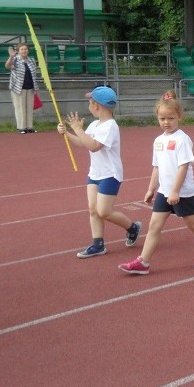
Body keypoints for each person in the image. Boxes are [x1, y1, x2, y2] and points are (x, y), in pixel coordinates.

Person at [118, 94, 194, 275]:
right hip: (164, 192)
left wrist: (175, 191)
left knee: (193, 224)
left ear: (179, 117)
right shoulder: (158, 141)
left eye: (171, 118)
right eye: (162, 118)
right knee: (154, 226)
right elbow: (156, 167)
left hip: (183, 192)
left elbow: (183, 167)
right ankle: (144, 261)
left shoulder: (182, 140)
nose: (166, 122)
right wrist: (151, 189)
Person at [58, 86, 142, 259]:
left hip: (110, 174)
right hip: (95, 173)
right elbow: (83, 143)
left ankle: (132, 227)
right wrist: (67, 134)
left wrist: (78, 130)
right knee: (93, 209)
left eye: (90, 102)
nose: (88, 105)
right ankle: (98, 245)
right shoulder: (95, 124)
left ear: (97, 106)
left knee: (104, 211)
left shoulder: (110, 126)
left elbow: (94, 147)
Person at [5, 42, 41, 134]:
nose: (24, 51)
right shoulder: (15, 59)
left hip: (30, 87)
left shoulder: (31, 60)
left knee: (29, 108)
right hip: (18, 88)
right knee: (20, 108)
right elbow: (7, 66)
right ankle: (21, 127)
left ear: (28, 51)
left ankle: (29, 127)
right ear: (18, 51)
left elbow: (34, 73)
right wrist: (11, 57)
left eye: (25, 49)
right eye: (22, 49)